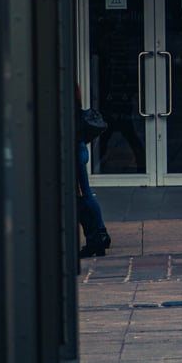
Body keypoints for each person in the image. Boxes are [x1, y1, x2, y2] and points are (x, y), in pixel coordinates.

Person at [76, 85, 111, 259]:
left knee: (82, 197)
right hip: (79, 147)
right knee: (85, 194)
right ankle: (100, 234)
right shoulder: (73, 99)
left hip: (75, 150)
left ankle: (97, 237)